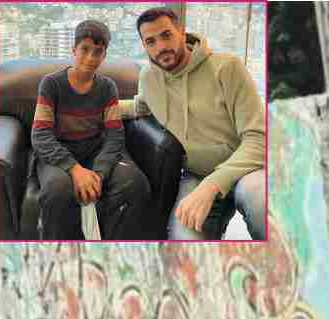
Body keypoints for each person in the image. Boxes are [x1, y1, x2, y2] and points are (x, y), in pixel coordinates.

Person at [119, 8, 266, 240]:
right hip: (197, 175)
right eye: (151, 41)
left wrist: (214, 184)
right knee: (184, 239)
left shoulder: (227, 68)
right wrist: (86, 110)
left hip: (245, 169)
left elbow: (259, 138)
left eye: (166, 35)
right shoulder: (149, 78)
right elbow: (140, 107)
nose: (160, 47)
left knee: (261, 203)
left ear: (181, 32)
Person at [32, 20, 152, 240]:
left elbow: (115, 135)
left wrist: (99, 173)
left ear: (104, 55)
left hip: (96, 149)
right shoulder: (51, 84)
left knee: (135, 184)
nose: (90, 58)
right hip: (59, 153)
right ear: (73, 50)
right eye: (84, 50)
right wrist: (75, 170)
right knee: (57, 192)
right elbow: (41, 135)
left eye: (97, 52)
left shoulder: (107, 87)